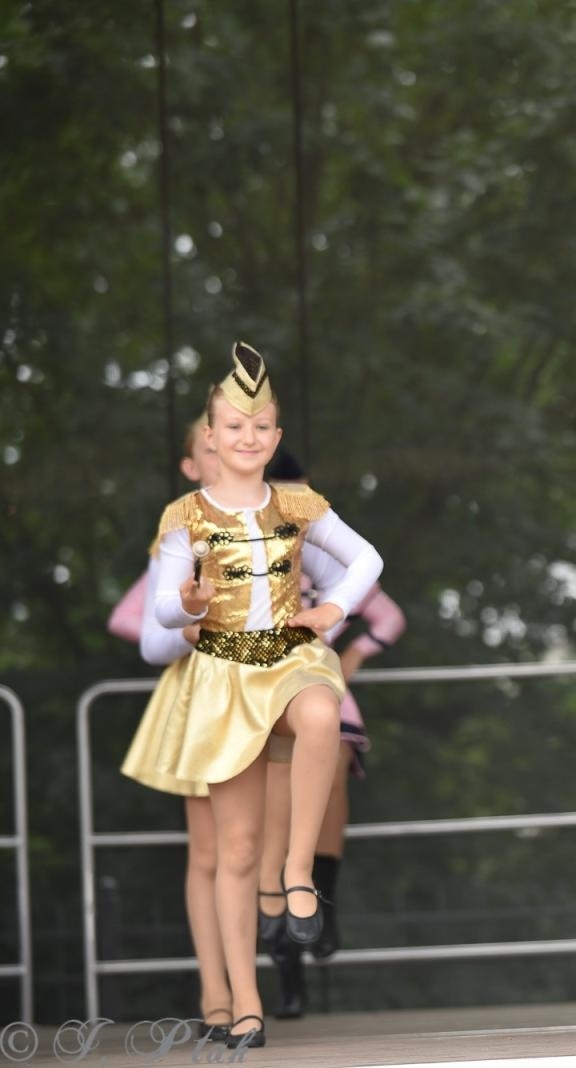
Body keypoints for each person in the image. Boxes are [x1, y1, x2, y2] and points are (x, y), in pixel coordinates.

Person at [152, 343, 383, 1047]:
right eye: (234, 427)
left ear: (275, 438)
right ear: (211, 439)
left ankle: (300, 871)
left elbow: (367, 558)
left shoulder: (300, 503)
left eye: (261, 428)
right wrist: (188, 602)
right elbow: (162, 607)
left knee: (322, 714)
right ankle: (244, 1003)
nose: (248, 438)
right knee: (235, 847)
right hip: (224, 675)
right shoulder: (184, 515)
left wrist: (334, 609)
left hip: (290, 658)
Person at [254, 447, 406, 1019]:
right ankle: (285, 965)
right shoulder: (228, 544)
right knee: (266, 829)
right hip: (250, 698)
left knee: (326, 803)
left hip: (317, 692)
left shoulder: (317, 561)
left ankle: (323, 908)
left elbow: (386, 613)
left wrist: (355, 651)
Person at [108, 415, 234, 1040]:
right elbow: (153, 644)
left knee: (262, 851)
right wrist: (193, 623)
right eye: (208, 449)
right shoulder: (181, 531)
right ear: (191, 465)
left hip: (276, 688)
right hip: (205, 696)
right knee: (210, 853)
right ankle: (220, 995)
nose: (224, 454)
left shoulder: (291, 514)